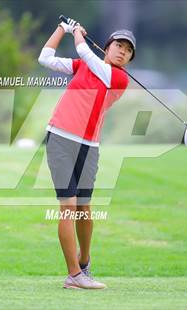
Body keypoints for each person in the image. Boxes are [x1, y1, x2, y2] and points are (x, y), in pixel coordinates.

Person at [38, 17, 136, 289]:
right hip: (60, 138)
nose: (122, 52)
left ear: (128, 59)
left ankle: (85, 260)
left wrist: (77, 33)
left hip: (89, 146)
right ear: (108, 46)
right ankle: (74, 276)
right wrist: (62, 29)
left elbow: (84, 52)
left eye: (128, 51)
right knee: (68, 207)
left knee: (84, 208)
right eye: (119, 45)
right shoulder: (84, 66)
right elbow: (45, 58)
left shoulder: (118, 78)